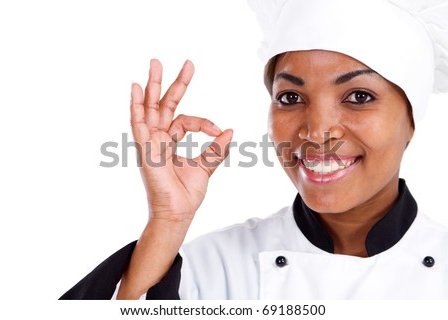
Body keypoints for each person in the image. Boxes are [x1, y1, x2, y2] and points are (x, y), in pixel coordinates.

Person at [60, 0, 448, 299]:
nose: (316, 132)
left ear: (411, 119)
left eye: (358, 96)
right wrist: (167, 220)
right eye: (291, 96)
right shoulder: (212, 268)